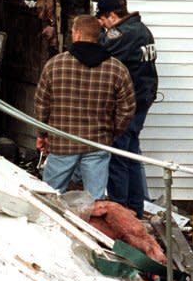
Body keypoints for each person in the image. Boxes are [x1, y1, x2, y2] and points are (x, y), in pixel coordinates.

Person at [35, 14, 135, 200]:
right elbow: (127, 108)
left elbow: (42, 104)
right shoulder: (116, 69)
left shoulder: (54, 65)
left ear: (78, 34)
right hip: (97, 144)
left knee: (49, 197)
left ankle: (50, 227)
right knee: (94, 202)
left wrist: (42, 134)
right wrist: (112, 133)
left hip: (61, 143)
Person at [96, 0, 158, 218]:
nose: (102, 25)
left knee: (118, 158)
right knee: (131, 156)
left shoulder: (122, 34)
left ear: (112, 15)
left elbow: (96, 50)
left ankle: (120, 210)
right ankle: (135, 209)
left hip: (127, 107)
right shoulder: (142, 29)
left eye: (102, 19)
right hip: (141, 102)